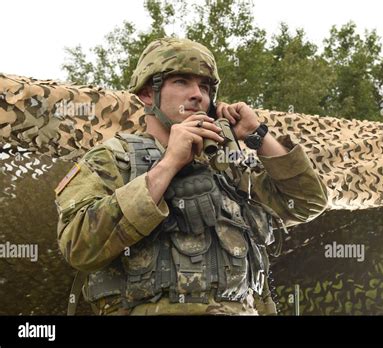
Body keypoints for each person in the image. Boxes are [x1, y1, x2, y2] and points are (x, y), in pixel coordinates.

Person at [55, 37, 328, 315]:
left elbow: (307, 203)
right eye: (181, 82)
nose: (198, 94)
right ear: (148, 93)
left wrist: (257, 135)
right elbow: (78, 247)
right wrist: (169, 164)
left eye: (205, 87)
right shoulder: (113, 159)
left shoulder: (227, 167)